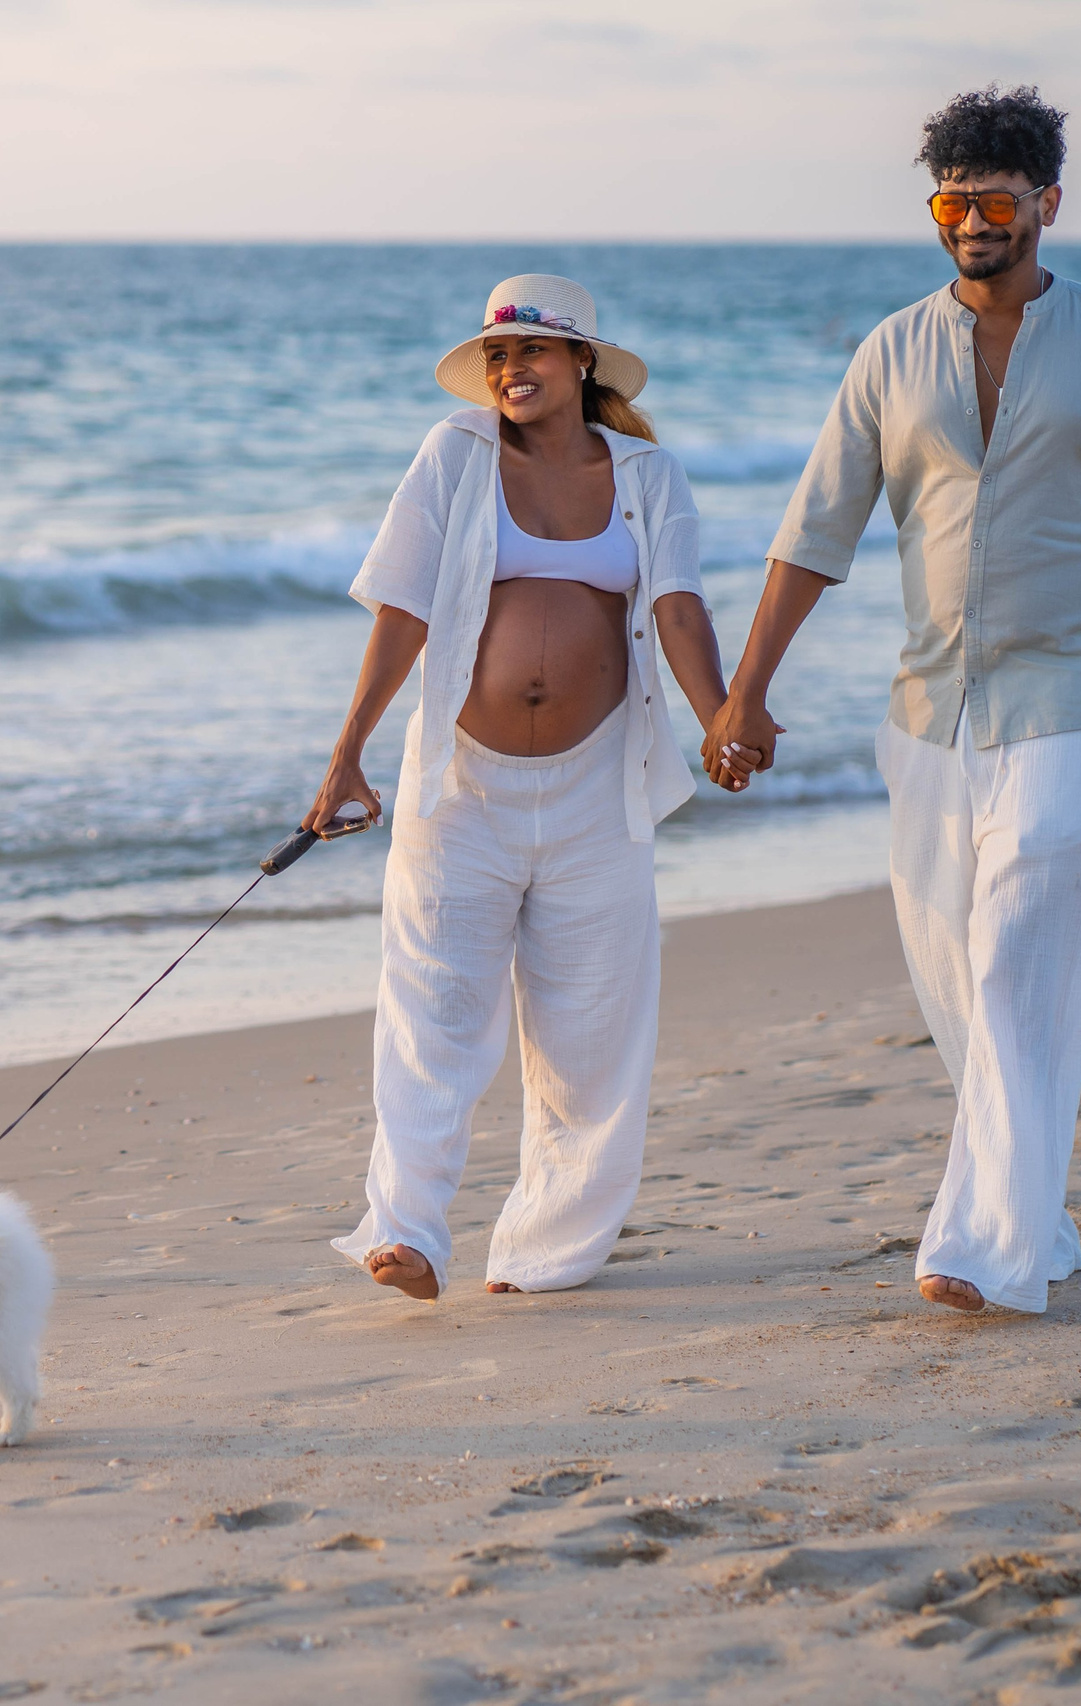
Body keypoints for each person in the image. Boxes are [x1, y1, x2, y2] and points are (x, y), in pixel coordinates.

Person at [705, 86, 1081, 1315]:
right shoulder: (889, 349)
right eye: (950, 201)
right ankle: (1035, 1211)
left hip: (1075, 692)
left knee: (1012, 962)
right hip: (929, 707)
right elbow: (810, 535)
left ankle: (977, 1246)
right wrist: (743, 696)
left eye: (994, 200)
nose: (970, 222)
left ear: (1047, 203)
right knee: (954, 977)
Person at [309, 274, 739, 1301]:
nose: (511, 371)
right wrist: (347, 752)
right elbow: (401, 609)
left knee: (592, 1028)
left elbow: (677, 607)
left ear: (581, 362)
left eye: (532, 353)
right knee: (432, 1007)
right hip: (462, 785)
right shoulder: (453, 456)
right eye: (498, 356)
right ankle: (406, 1228)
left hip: (600, 785)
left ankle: (547, 1250)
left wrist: (722, 715)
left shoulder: (647, 473)